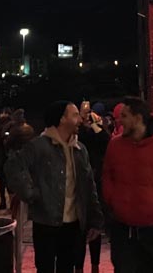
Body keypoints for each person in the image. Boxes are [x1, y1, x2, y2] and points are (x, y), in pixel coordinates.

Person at [6, 100, 104, 273]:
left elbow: (89, 186)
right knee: (45, 267)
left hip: (73, 224)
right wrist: (30, 194)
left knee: (67, 266)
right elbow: (14, 167)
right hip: (46, 222)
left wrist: (95, 219)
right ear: (62, 119)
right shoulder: (39, 146)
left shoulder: (80, 149)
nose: (80, 120)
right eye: (74, 115)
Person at [102, 97, 153, 273]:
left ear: (138, 118)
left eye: (124, 116)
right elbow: (107, 176)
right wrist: (113, 201)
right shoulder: (115, 145)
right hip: (122, 227)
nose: (119, 120)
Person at [76, 101, 110, 273]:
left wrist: (97, 127)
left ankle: (95, 265)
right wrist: (83, 122)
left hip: (96, 182)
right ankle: (79, 267)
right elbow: (78, 137)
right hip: (80, 184)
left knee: (94, 226)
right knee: (80, 230)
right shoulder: (79, 135)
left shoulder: (99, 135)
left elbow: (106, 142)